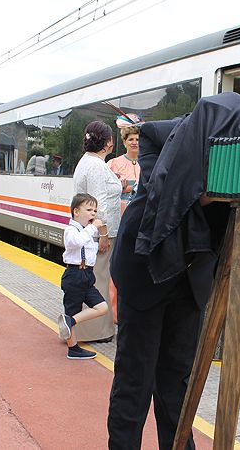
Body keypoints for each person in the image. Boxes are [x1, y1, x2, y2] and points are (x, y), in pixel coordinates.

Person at [107, 92, 240, 450]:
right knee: (136, 381)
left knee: (176, 382)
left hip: (188, 279)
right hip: (145, 271)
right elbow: (168, 188)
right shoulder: (169, 140)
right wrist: (199, 188)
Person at [72, 121, 121, 342]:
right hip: (99, 234)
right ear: (109, 142)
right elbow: (98, 203)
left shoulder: (87, 162)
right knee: (99, 279)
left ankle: (92, 327)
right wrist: (102, 234)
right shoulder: (97, 166)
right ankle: (95, 331)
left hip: (89, 231)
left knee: (93, 278)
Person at [57, 193, 110, 360]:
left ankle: (70, 321)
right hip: (74, 275)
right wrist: (93, 228)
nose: (93, 213)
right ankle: (73, 349)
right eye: (89, 209)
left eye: (95, 210)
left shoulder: (87, 231)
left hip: (87, 275)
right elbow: (76, 242)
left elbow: (90, 250)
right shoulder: (71, 230)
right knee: (72, 309)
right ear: (76, 212)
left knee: (102, 307)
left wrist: (102, 234)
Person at [106, 113, 143, 323]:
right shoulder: (114, 163)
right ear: (125, 142)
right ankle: (115, 313)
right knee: (116, 265)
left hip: (141, 220)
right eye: (131, 139)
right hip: (120, 219)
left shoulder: (147, 162)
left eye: (137, 139)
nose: (135, 142)